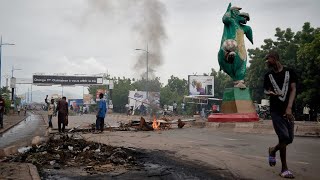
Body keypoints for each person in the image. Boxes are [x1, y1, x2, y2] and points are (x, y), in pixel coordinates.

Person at [264, 51, 297, 179]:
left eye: (268, 59)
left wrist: (289, 107)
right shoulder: (268, 75)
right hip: (276, 111)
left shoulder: (290, 72)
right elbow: (266, 89)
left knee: (289, 139)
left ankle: (273, 150)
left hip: (288, 110)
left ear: (275, 58)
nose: (267, 62)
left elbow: (293, 89)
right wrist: (270, 93)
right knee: (283, 137)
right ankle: (284, 169)